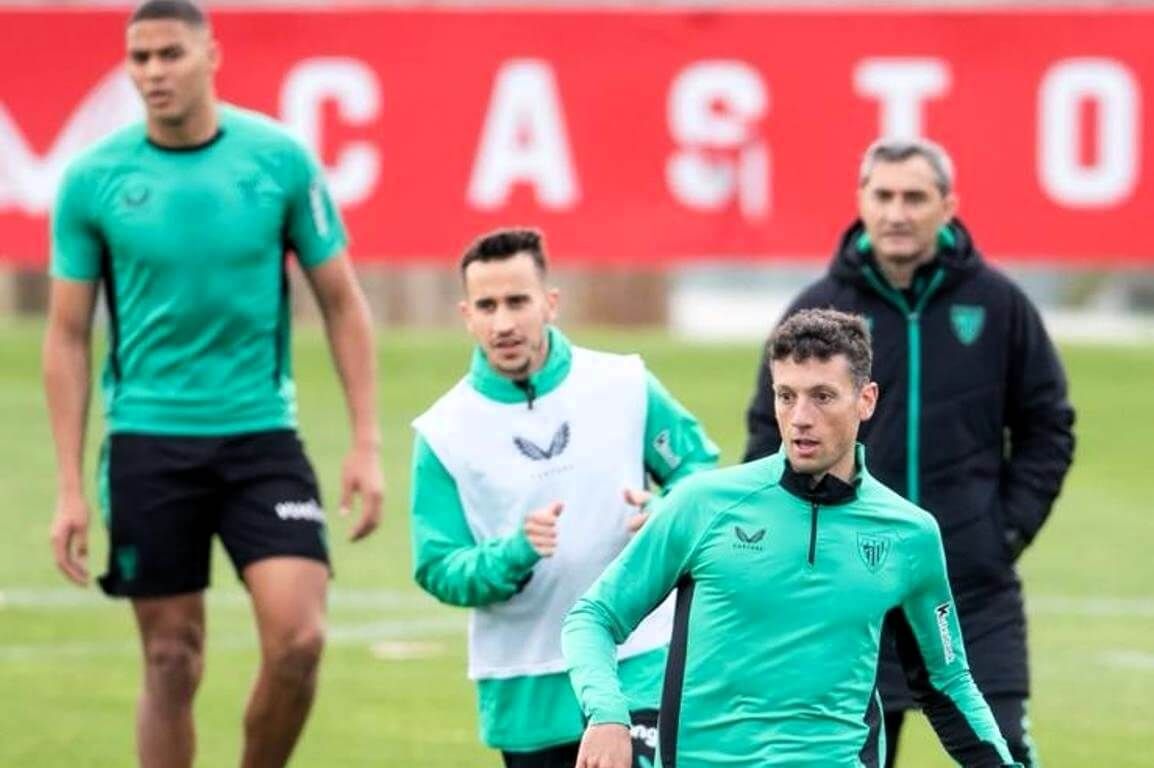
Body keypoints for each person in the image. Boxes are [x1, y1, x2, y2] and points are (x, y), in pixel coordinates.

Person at [43, 2, 384, 766]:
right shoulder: (93, 180)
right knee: (171, 657)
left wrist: (366, 442)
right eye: (140, 58)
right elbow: (66, 336)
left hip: (262, 437)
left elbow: (342, 303)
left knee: (299, 640)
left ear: (211, 56)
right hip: (147, 444)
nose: (153, 72)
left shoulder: (279, 161)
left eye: (171, 54)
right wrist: (69, 486)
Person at [564, 308, 1021, 768]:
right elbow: (594, 617)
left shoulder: (909, 535)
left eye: (822, 396)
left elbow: (948, 683)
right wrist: (607, 714)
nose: (801, 417)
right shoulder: (703, 505)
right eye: (786, 396)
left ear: (866, 400)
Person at [743, 139, 1075, 766]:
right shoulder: (820, 310)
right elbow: (770, 431)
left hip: (971, 587)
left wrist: (1003, 531)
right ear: (861, 201)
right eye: (884, 195)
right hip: (852, 588)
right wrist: (803, 540)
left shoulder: (999, 305)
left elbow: (1048, 426)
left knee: (1003, 751)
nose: (897, 212)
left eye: (915, 197)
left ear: (947, 206)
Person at [409, 228, 719, 767]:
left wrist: (666, 513)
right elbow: (437, 565)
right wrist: (512, 555)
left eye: (517, 301)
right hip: (525, 686)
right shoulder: (443, 433)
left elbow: (696, 472)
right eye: (487, 306)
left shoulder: (624, 383)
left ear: (550, 303)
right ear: (466, 315)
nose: (503, 323)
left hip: (638, 656)